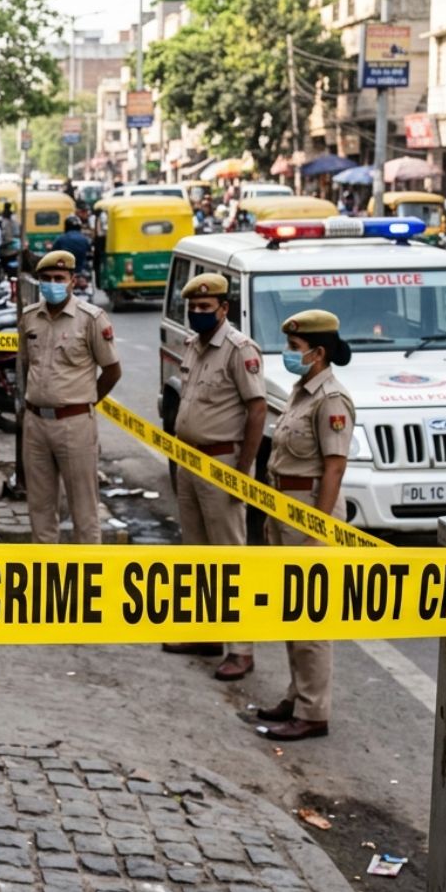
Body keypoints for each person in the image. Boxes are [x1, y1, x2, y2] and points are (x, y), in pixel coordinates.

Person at [159, 274, 267, 680]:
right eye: (195, 307)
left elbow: (257, 410)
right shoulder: (194, 345)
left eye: (207, 307)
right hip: (189, 462)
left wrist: (243, 472)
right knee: (197, 554)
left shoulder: (240, 350)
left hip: (222, 463)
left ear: (224, 309)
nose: (199, 312)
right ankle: (205, 635)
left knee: (230, 557)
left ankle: (241, 648)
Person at [256, 309, 353, 742]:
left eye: (294, 349)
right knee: (290, 610)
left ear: (317, 353)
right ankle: (297, 696)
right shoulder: (302, 390)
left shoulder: (331, 398)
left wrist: (317, 530)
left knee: (310, 615)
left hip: (309, 510)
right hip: (284, 508)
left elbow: (333, 468)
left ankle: (314, 712)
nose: (287, 354)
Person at [17, 251, 121, 544]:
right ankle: (46, 576)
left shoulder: (91, 319)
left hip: (75, 424)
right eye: (47, 279)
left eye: (59, 279)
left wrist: (86, 401)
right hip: (36, 423)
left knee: (84, 511)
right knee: (39, 509)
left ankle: (87, 581)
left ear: (72, 281)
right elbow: (27, 364)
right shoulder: (29, 318)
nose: (53, 284)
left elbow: (112, 370)